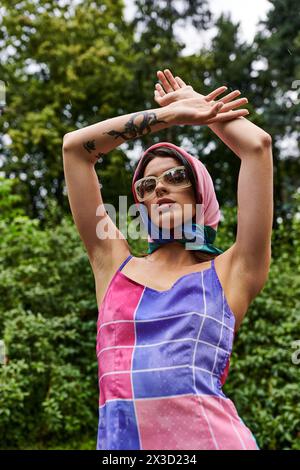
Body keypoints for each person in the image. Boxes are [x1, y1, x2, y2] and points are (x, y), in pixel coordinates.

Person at [62, 69, 273, 450]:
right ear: (140, 204)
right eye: (146, 184)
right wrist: (169, 117)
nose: (158, 186)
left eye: (175, 176)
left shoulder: (233, 270)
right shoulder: (113, 264)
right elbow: (75, 149)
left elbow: (257, 146)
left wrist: (204, 108)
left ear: (201, 194)